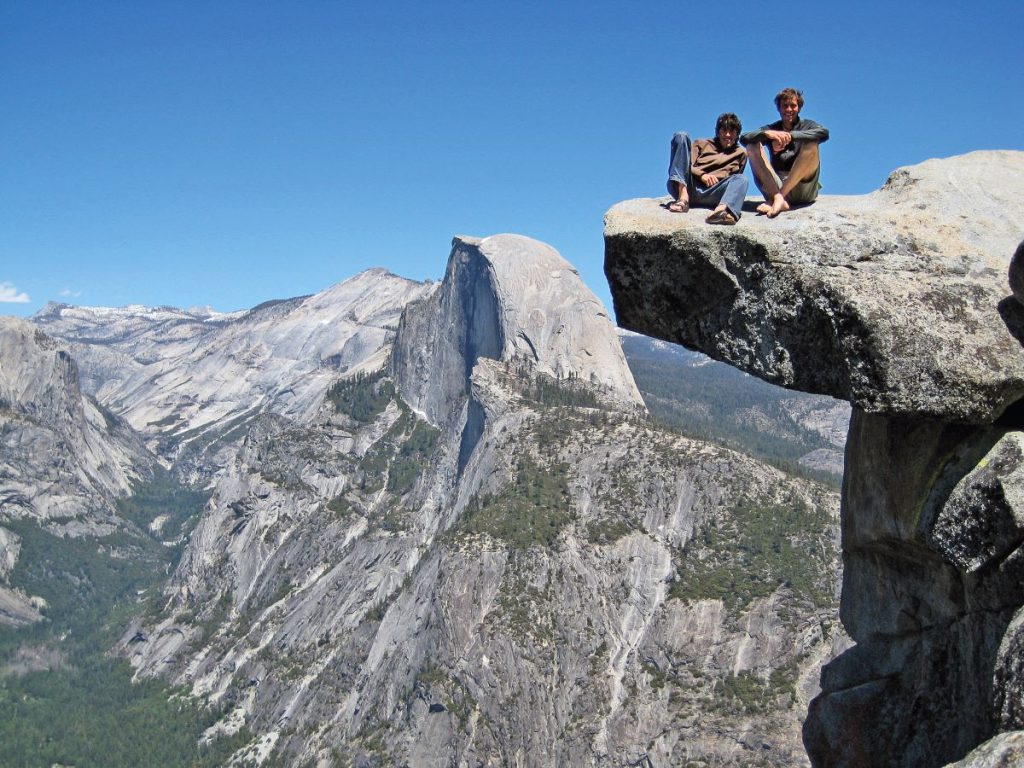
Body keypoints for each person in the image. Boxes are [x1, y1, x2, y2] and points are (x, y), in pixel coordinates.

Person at [740, 87, 829, 218]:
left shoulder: (808, 125)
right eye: (784, 106)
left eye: (793, 106)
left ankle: (779, 198)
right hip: (775, 185)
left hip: (802, 188)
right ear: (779, 108)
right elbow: (744, 138)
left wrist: (791, 136)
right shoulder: (773, 128)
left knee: (812, 143)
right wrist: (767, 134)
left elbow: (824, 133)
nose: (789, 110)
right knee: (752, 145)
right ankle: (778, 197)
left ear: (799, 107)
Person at [666, 112, 749, 225]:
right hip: (690, 186)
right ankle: (683, 199)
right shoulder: (701, 144)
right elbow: (684, 165)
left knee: (742, 179)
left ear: (737, 134)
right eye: (724, 130)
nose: (728, 135)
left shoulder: (741, 153)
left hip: (714, 192)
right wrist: (702, 175)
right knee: (681, 136)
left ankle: (721, 211)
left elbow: (735, 180)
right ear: (718, 132)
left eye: (732, 131)